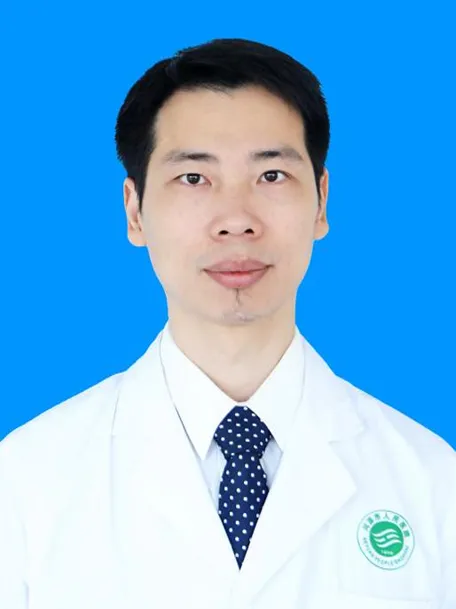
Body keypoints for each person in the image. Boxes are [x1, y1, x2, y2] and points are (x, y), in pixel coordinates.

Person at [0, 37, 454, 609]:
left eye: (272, 175)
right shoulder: (25, 480)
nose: (236, 220)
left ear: (321, 202)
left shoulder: (432, 481)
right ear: (135, 211)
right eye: (194, 178)